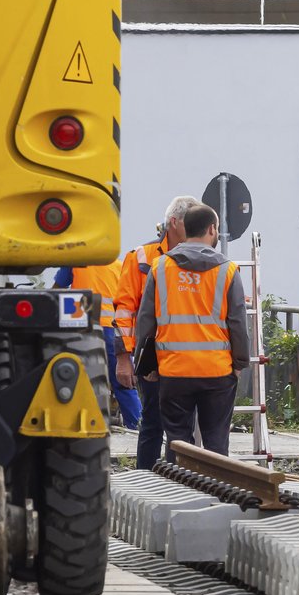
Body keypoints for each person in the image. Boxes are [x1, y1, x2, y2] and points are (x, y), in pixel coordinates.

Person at [134, 203, 251, 455]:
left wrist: (146, 366)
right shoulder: (228, 270)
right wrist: (239, 362)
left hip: (174, 371)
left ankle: (181, 491)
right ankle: (216, 490)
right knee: (216, 442)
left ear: (185, 228)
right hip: (217, 372)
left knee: (177, 442)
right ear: (211, 229)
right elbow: (238, 323)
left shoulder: (160, 267)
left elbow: (145, 322)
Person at [114, 195, 198, 467]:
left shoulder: (199, 257)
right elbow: (125, 309)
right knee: (152, 422)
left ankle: (178, 480)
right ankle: (145, 478)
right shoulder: (142, 257)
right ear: (174, 223)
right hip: (153, 356)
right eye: (190, 222)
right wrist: (124, 358)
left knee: (182, 428)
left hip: (189, 356)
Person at [52, 260, 141, 429]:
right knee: (123, 382)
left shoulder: (75, 262)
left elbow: (56, 290)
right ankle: (138, 428)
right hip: (114, 330)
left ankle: (82, 427)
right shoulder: (120, 266)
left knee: (80, 381)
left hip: (84, 327)